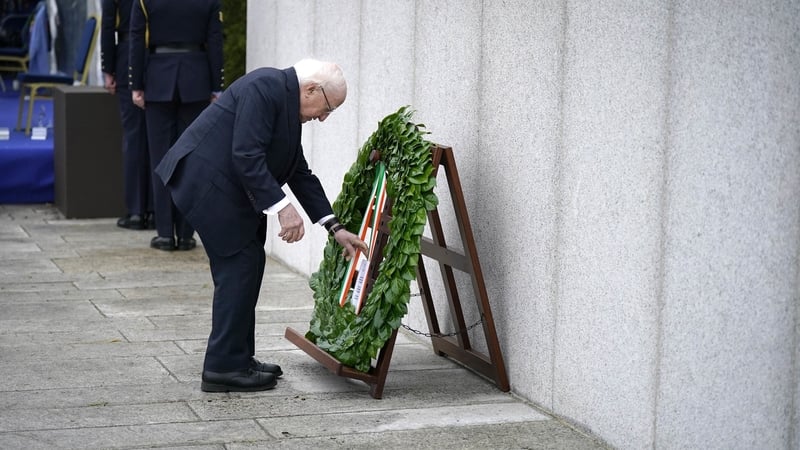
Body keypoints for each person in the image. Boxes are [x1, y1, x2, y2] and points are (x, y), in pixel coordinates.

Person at [154, 59, 368, 392]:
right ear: (312, 89)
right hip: (209, 184)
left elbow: (298, 171)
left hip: (232, 190)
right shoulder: (264, 87)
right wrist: (284, 208)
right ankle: (222, 368)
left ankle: (238, 358)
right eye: (327, 108)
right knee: (238, 267)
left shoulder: (284, 100)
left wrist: (334, 227)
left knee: (249, 264)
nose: (323, 118)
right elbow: (246, 154)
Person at [129, 0, 223, 250]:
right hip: (196, 79)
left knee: (160, 159)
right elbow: (215, 41)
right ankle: (186, 234)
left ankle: (164, 234)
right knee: (191, 160)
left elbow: (137, 41)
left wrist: (136, 83)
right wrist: (216, 85)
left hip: (158, 79)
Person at [100, 0, 153, 230]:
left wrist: (108, 68)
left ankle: (136, 211)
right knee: (158, 138)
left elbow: (108, 25)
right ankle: (156, 210)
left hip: (127, 58)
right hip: (157, 59)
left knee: (134, 137)